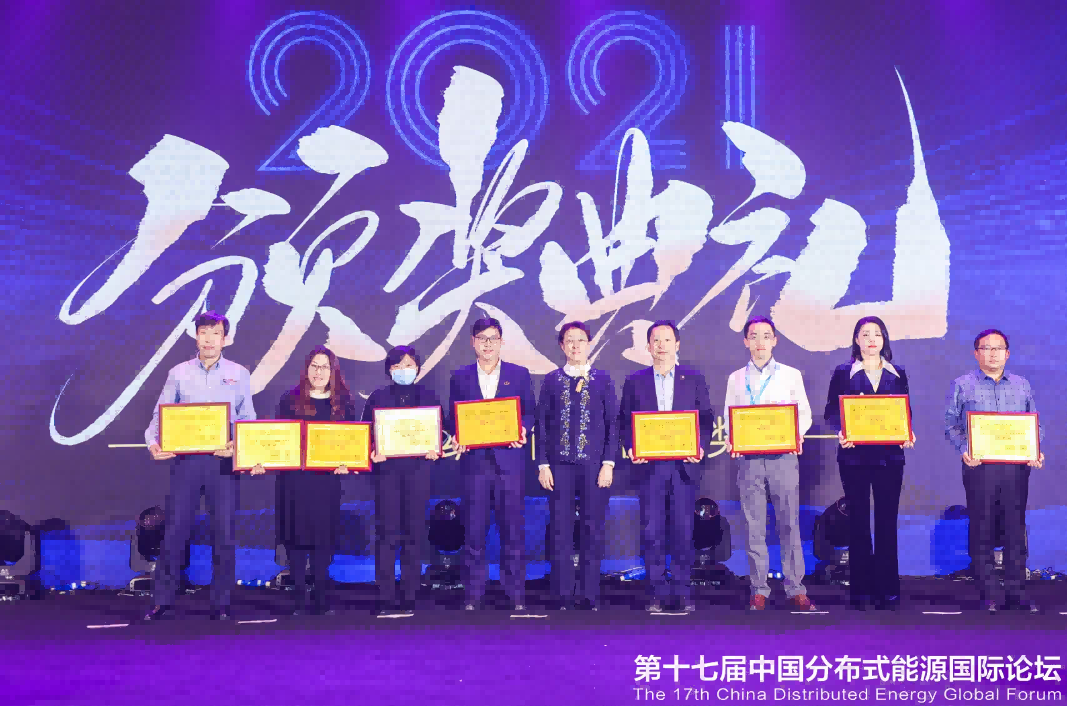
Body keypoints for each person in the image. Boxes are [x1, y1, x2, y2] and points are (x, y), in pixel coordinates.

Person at [143, 311, 256, 621]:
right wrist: (152, 442)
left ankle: (221, 603)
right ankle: (162, 600)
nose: (209, 339)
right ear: (196, 336)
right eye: (203, 332)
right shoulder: (178, 373)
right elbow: (160, 414)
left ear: (225, 339)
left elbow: (248, 418)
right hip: (187, 462)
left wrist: (236, 443)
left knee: (224, 534)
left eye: (215, 333)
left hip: (222, 463)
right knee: (175, 531)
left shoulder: (239, 373)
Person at [944, 329, 1044, 613]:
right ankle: (988, 592)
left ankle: (1016, 592)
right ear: (976, 353)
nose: (992, 353)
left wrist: (1035, 449)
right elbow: (951, 423)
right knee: (982, 527)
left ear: (1007, 354)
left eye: (998, 348)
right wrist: (964, 448)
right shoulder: (963, 385)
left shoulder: (1022, 385)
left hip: (1015, 468)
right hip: (980, 467)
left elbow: (1034, 424)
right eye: (986, 348)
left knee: (1015, 528)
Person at [251, 345, 356, 616]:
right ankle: (298, 599)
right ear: (306, 369)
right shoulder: (290, 400)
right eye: (314, 366)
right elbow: (276, 441)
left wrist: (349, 463)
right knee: (295, 539)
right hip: (294, 483)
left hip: (326, 484)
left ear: (333, 371)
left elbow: (353, 443)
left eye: (325, 367)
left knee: (323, 540)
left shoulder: (344, 402)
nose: (319, 372)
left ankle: (321, 599)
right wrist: (263, 460)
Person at [618, 320, 713, 613]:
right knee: (652, 532)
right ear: (648, 346)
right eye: (656, 340)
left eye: (667, 340)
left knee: (683, 531)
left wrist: (700, 446)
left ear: (677, 344)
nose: (661, 345)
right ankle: (656, 593)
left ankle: (682, 592)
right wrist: (632, 447)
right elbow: (624, 421)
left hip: (683, 466)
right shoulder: (635, 381)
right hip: (650, 467)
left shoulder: (693, 378)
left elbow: (706, 419)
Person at [723, 316, 817, 611]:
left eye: (766, 336)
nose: (760, 342)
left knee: (789, 524)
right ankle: (759, 588)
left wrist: (794, 434)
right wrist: (732, 439)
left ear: (775, 340)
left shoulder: (791, 375)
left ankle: (795, 587)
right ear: (745, 341)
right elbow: (729, 416)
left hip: (783, 458)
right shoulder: (736, 378)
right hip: (749, 460)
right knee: (754, 527)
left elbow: (804, 413)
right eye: (754, 336)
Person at [824, 316, 916, 610]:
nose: (872, 339)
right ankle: (861, 591)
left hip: (890, 457)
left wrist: (907, 432)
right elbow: (831, 411)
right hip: (854, 457)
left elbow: (904, 411)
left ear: (884, 339)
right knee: (859, 522)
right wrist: (841, 431)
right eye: (865, 334)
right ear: (857, 340)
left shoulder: (897, 373)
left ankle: (888, 590)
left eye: (877, 334)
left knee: (887, 522)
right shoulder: (843, 372)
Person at [447, 317, 536, 612]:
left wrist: (522, 429)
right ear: (473, 342)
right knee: (473, 532)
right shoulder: (459, 377)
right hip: (474, 466)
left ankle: (516, 595)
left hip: (509, 465)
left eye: (493, 338)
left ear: (501, 342)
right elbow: (453, 418)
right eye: (482, 338)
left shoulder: (519, 374)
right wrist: (458, 435)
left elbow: (530, 413)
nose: (488, 344)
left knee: (513, 532)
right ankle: (473, 595)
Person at [535, 321, 618, 610]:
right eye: (569, 340)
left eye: (580, 340)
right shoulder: (551, 380)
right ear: (561, 346)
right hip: (559, 467)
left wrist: (608, 463)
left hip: (594, 467)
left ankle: (589, 594)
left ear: (589, 344)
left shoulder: (603, 379)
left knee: (592, 528)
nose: (575, 345)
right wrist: (543, 464)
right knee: (560, 529)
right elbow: (541, 425)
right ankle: (562, 594)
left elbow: (613, 424)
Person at [362, 345, 442, 616]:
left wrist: (435, 449)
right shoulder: (378, 397)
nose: (403, 370)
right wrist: (372, 450)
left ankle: (410, 594)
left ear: (417, 368)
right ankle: (385, 595)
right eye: (397, 366)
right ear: (389, 370)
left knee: (414, 534)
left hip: (418, 473)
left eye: (408, 365)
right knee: (386, 535)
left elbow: (441, 432)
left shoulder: (429, 396)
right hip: (387, 475)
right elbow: (364, 435)